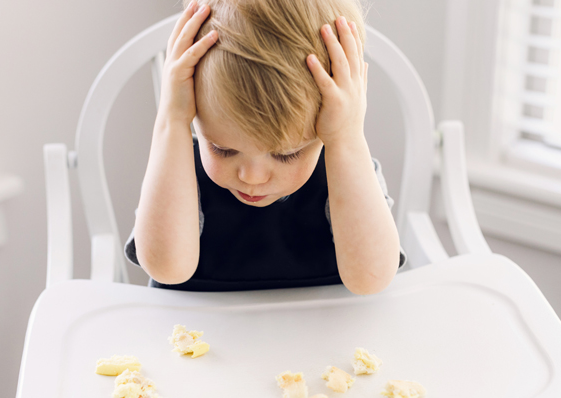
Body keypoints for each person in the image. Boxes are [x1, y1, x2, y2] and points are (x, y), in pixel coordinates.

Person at [125, 0, 406, 293]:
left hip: (322, 334)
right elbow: (166, 269)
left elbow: (371, 279)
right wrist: (171, 119)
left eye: (288, 154)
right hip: (205, 334)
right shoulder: (176, 167)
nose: (252, 177)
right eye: (222, 148)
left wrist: (348, 138)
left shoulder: (348, 166)